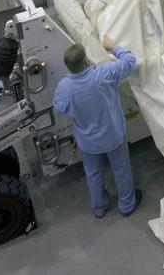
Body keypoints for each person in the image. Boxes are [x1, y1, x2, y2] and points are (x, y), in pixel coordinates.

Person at [53, 36, 142, 218]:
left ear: (67, 66)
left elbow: (58, 106)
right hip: (113, 137)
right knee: (121, 169)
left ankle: (99, 207)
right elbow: (130, 61)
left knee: (93, 173)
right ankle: (126, 205)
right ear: (85, 60)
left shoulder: (63, 88)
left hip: (88, 143)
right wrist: (112, 47)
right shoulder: (104, 74)